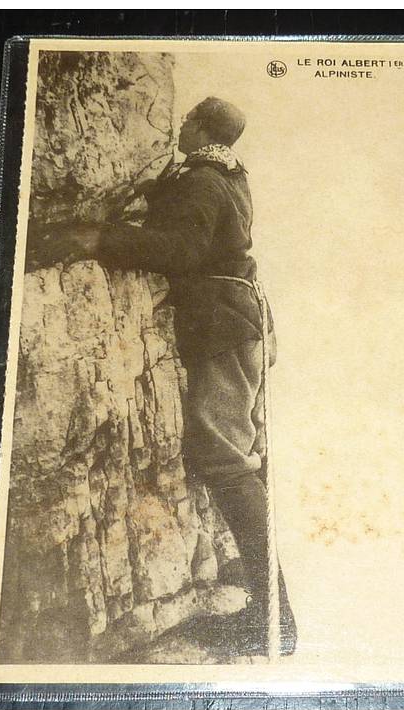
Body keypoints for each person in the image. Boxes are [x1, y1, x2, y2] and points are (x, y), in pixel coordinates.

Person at [27, 96, 295, 656]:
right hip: (242, 322)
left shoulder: (203, 179)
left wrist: (98, 238)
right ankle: (272, 614)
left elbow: (180, 248)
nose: (179, 124)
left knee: (224, 460)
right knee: (243, 461)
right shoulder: (227, 177)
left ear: (201, 128)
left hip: (226, 326)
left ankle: (274, 626)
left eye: (189, 118)